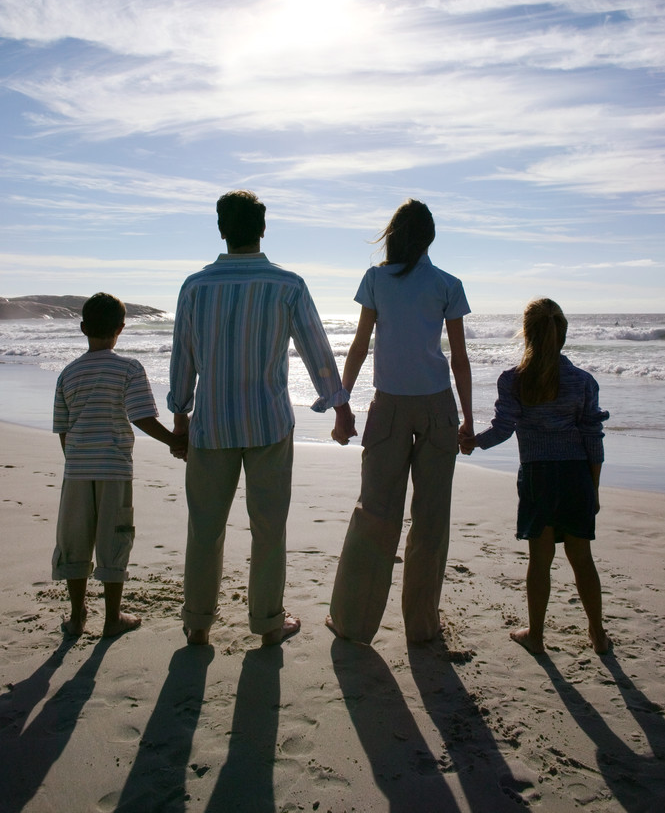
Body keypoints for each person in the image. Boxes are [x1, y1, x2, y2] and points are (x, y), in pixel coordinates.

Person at [168, 189, 354, 647]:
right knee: (269, 528)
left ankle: (198, 624)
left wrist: (180, 414)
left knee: (204, 528)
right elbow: (316, 348)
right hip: (268, 422)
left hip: (212, 424)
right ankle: (268, 623)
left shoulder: (195, 286)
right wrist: (339, 406)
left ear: (221, 230)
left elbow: (183, 357)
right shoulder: (286, 284)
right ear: (263, 228)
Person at [326, 199, 473, 646]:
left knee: (375, 513)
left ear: (393, 235)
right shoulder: (447, 283)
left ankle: (353, 623)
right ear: (430, 238)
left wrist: (342, 403)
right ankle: (422, 627)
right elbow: (459, 359)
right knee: (431, 520)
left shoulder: (376, 280)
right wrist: (469, 418)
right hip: (437, 407)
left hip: (389, 406)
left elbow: (359, 345)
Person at [460, 298, 610, 655]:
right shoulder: (583, 381)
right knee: (582, 559)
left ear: (526, 334)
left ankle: (537, 636)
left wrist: (473, 443)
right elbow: (593, 439)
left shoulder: (514, 380)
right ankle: (598, 635)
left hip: (538, 476)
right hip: (576, 476)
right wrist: (594, 488)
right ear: (563, 335)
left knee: (540, 561)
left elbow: (503, 428)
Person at [52, 292, 184, 638]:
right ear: (121, 329)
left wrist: (75, 460)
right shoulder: (128, 368)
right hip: (113, 467)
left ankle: (77, 616)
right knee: (115, 537)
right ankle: (112, 618)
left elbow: (63, 428)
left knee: (74, 539)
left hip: (77, 470)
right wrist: (175, 442)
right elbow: (141, 416)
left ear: (83, 328)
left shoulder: (68, 373)